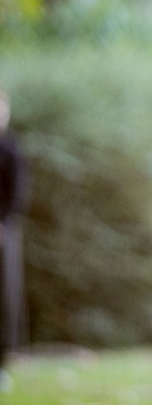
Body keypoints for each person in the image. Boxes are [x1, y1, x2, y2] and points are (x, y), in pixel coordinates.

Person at [0, 90, 29, 392]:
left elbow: (17, 193)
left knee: (4, 297)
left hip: (4, 232)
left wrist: (3, 222)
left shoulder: (11, 149)